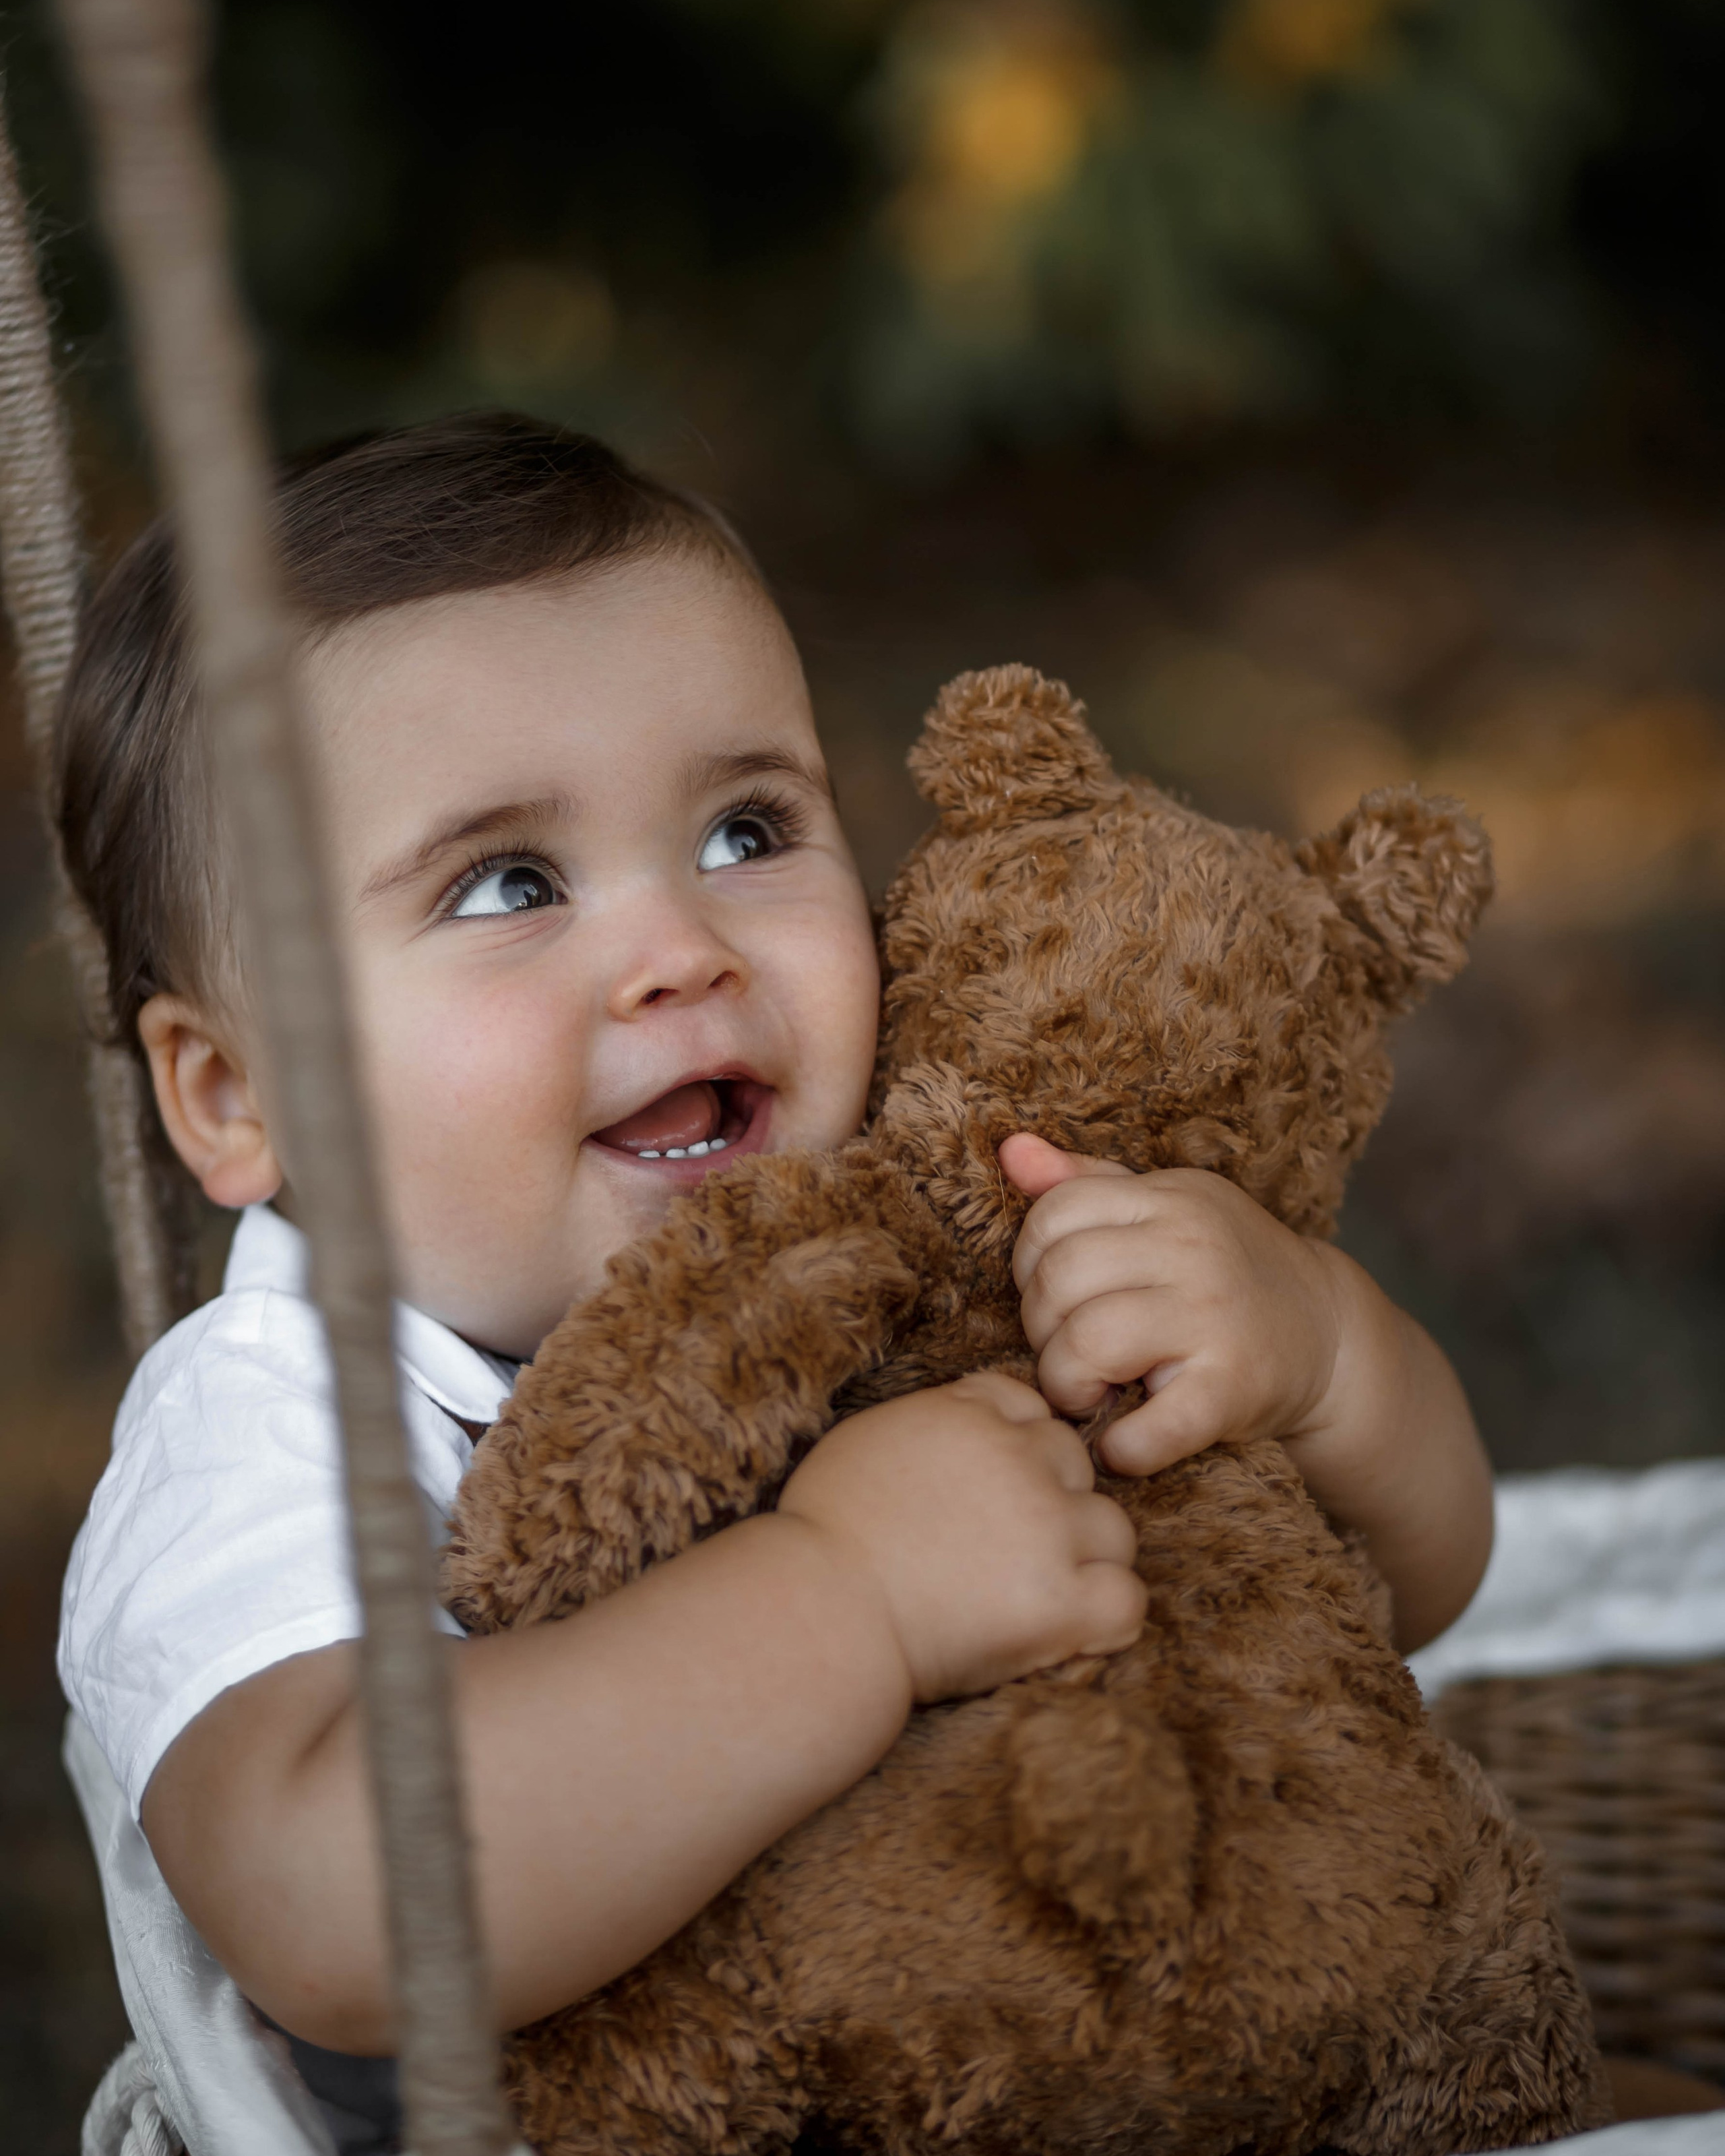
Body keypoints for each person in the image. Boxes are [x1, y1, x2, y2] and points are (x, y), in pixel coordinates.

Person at [54, 414, 1492, 2150]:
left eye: (747, 829)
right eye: (510, 884)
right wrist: (852, 1598)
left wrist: (1326, 1361)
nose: (682, 951)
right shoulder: (271, 1422)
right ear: (236, 1092)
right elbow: (339, 1903)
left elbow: (1407, 1595)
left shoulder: (931, 1236)